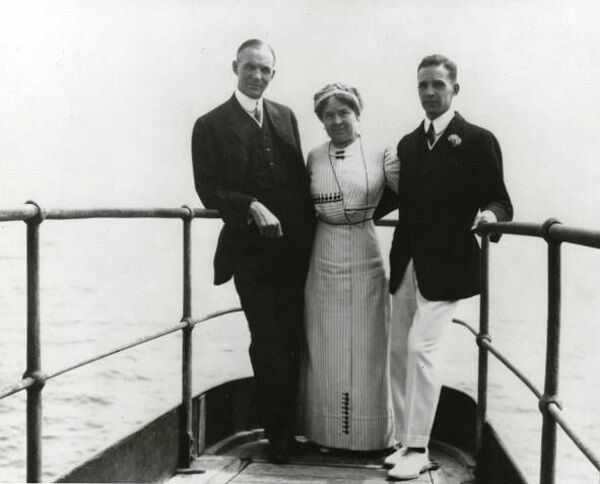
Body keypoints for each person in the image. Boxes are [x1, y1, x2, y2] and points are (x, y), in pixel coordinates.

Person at [384, 55, 513, 480]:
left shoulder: (477, 139)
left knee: (423, 350)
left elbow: (499, 198)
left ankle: (419, 449)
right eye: (422, 85)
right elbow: (393, 199)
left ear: (455, 88)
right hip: (407, 261)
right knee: (399, 350)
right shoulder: (407, 144)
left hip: (449, 263)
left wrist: (491, 218)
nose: (429, 93)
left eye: (438, 84)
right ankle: (404, 439)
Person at [191, 39, 315, 464]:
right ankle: (277, 435)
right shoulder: (209, 125)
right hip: (250, 254)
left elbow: (299, 183)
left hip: (295, 251)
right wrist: (250, 205)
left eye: (265, 70)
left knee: (294, 337)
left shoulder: (285, 116)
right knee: (267, 339)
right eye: (250, 69)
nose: (258, 76)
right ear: (235, 67)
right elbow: (209, 191)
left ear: (273, 74)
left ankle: (295, 427)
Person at [301, 83, 398, 451]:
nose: (337, 120)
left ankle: (371, 437)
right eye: (329, 115)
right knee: (325, 342)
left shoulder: (382, 154)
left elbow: (413, 191)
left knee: (369, 344)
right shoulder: (313, 156)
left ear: (358, 114)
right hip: (323, 253)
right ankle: (325, 433)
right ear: (321, 120)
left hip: (365, 252)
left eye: (344, 112)